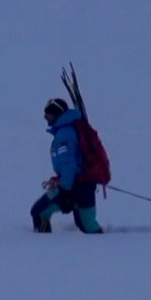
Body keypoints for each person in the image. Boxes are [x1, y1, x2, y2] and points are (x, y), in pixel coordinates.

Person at [30, 98, 102, 234]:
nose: (45, 117)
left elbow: (68, 165)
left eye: (48, 114)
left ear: (57, 114)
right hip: (86, 185)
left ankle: (41, 247)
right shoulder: (71, 129)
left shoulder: (64, 135)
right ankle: (108, 248)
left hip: (74, 186)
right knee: (88, 225)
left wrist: (64, 190)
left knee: (39, 212)